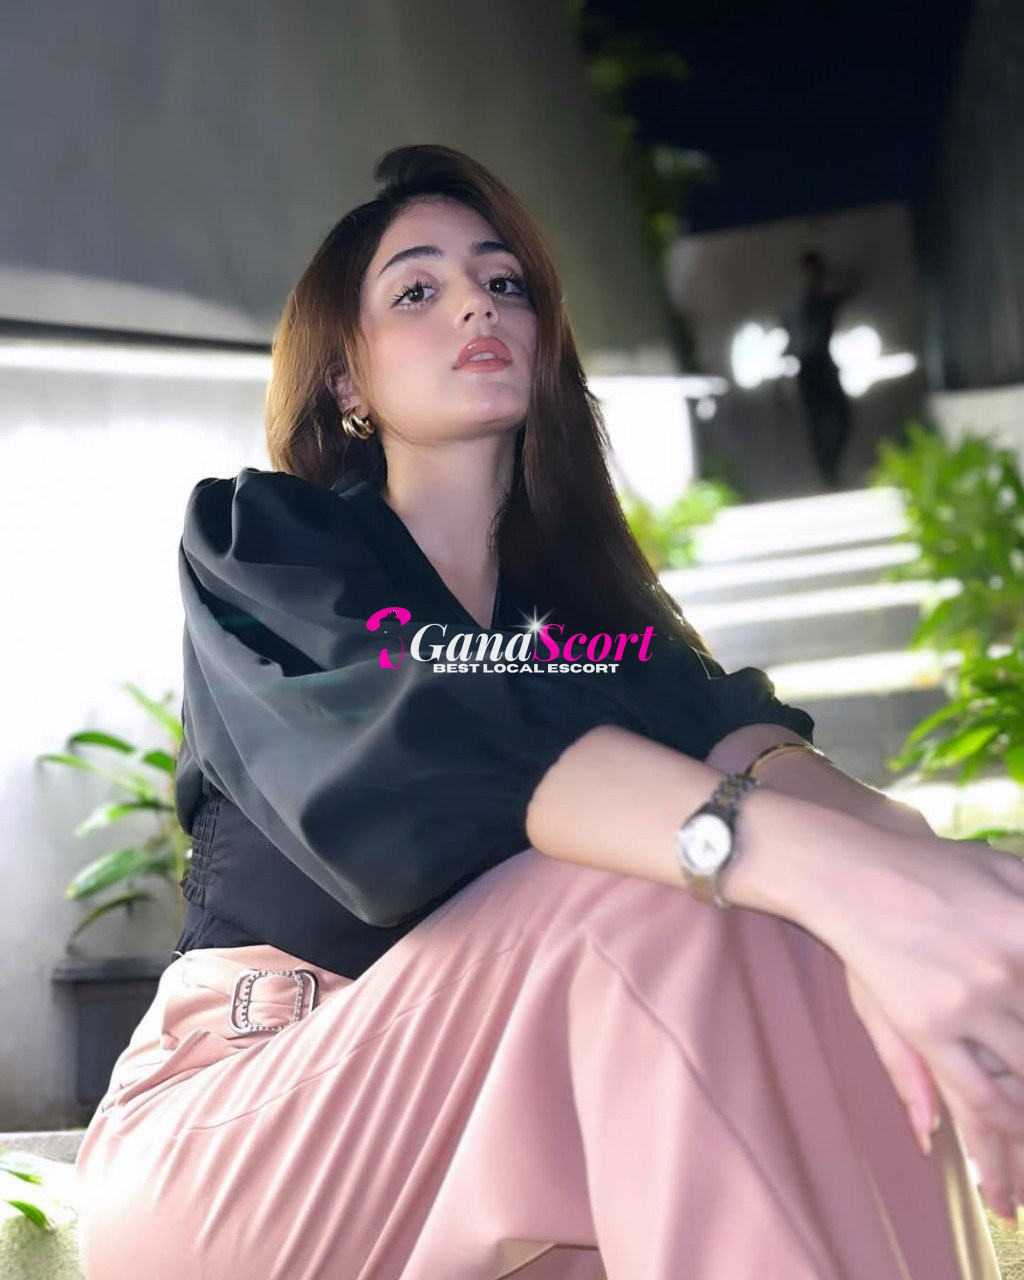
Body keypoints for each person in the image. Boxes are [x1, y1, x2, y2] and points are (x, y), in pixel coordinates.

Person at [71, 144, 1015, 1280]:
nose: (476, 301)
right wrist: (823, 872)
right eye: (417, 290)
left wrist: (913, 872)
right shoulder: (273, 547)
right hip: (247, 1130)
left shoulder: (587, 630)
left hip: (509, 1143)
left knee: (820, 934)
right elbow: (435, 747)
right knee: (655, 887)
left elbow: (759, 751)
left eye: (503, 280)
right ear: (347, 383)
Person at [783, 249, 862, 490]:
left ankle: (829, 471)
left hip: (821, 364)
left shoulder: (818, 301)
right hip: (810, 367)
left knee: (836, 418)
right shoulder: (799, 304)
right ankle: (827, 473)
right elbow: (793, 338)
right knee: (818, 421)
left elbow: (855, 283)